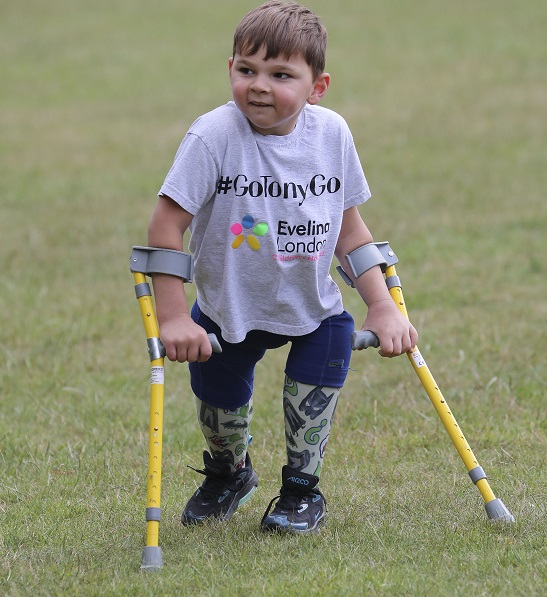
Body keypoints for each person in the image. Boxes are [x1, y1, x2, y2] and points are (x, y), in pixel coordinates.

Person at [147, 0, 418, 534]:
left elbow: (350, 230)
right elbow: (165, 225)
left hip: (314, 306)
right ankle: (229, 472)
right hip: (228, 309)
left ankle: (300, 491)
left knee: (311, 394)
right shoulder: (212, 137)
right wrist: (176, 317)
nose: (260, 86)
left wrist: (382, 306)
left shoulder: (332, 134)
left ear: (317, 87)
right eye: (246, 70)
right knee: (218, 410)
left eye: (281, 74)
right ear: (230, 70)